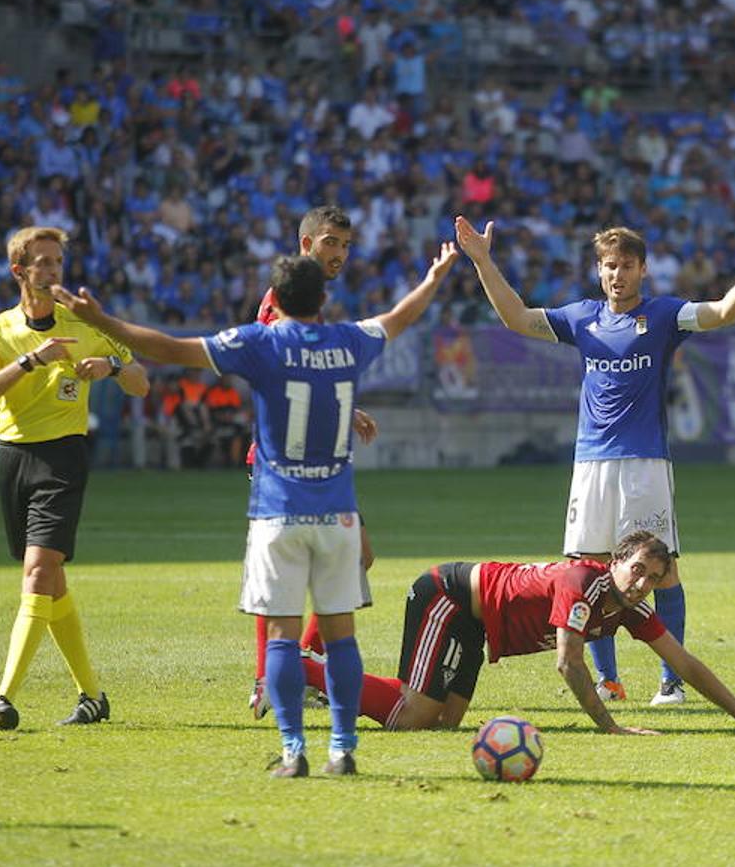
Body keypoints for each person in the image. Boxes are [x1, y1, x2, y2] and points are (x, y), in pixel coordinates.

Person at [53, 244, 459, 777]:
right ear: (323, 299)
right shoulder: (349, 340)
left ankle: (293, 751)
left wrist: (100, 319)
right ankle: (342, 749)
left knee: (284, 637)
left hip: (279, 513)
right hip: (338, 514)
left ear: (277, 301)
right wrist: (434, 277)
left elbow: (168, 348)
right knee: (341, 637)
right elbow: (400, 317)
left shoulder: (260, 342)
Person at [455, 216, 735, 706]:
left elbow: (722, 313)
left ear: (643, 270)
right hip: (591, 463)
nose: (618, 274)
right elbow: (517, 318)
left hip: (645, 463)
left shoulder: (665, 315)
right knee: (590, 572)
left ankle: (671, 683)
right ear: (599, 270)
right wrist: (483, 260)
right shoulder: (581, 318)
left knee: (662, 570)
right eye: (610, 266)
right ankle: (608, 681)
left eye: (627, 266)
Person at [296, 531, 735, 735]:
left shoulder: (628, 607)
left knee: (443, 724)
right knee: (413, 719)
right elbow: (568, 662)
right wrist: (610, 727)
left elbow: (683, 662)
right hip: (446, 596)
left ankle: (316, 673)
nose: (642, 584)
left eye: (652, 578)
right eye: (636, 570)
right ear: (615, 562)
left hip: (475, 624)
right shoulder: (583, 583)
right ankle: (302, 669)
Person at [0, 226, 150, 732]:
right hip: (13, 458)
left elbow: (141, 384)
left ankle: (3, 697)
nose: (53, 270)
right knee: (51, 583)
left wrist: (113, 366)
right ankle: (93, 697)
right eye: (43, 261)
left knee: (37, 572)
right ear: (19, 270)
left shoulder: (85, 323)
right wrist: (30, 361)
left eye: (57, 261)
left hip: (63, 458)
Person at [247, 205, 380, 722]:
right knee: (289, 574)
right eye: (330, 243)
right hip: (284, 465)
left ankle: (299, 665)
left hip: (317, 461)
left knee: (354, 558)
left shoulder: (310, 305)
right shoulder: (281, 302)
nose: (339, 254)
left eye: (345, 245)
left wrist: (347, 410)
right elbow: (278, 369)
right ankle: (271, 676)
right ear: (306, 244)